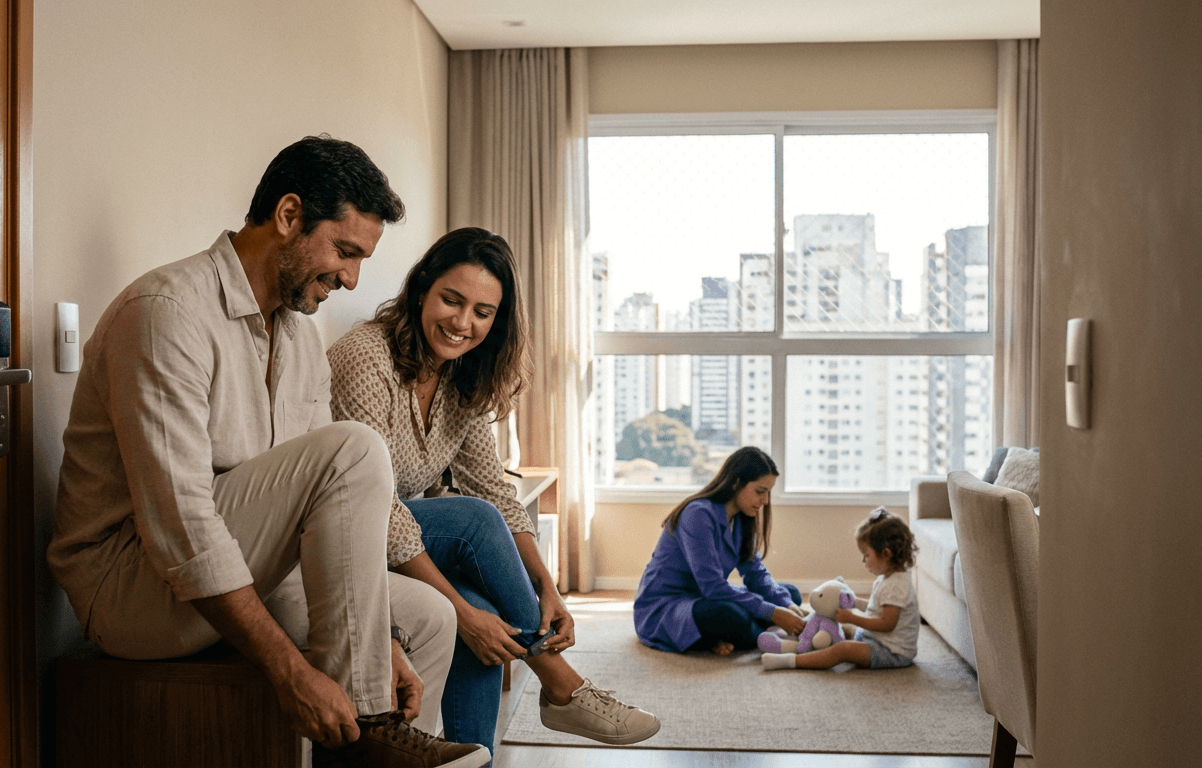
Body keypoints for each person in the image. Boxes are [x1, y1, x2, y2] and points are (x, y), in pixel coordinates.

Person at [47, 136, 489, 768]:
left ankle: (373, 741)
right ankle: (370, 731)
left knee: (424, 618)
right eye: (344, 251)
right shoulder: (167, 312)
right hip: (132, 588)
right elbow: (181, 526)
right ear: (287, 217)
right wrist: (288, 670)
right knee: (356, 449)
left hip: (237, 563)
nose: (351, 277)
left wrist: (379, 636)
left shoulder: (299, 336)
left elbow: (316, 517)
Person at [326, 227, 661, 754]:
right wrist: (461, 612)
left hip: (399, 535)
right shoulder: (366, 357)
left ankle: (476, 758)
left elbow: (496, 487)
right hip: (344, 529)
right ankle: (560, 681)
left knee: (491, 615)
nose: (463, 323)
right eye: (451, 301)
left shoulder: (461, 375)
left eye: (482, 312)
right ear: (421, 292)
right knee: (473, 530)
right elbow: (377, 508)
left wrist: (547, 588)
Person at [634, 446, 807, 656]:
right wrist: (772, 613)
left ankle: (728, 636)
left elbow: (755, 573)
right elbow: (712, 586)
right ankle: (752, 633)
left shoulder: (743, 518)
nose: (765, 501)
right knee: (732, 616)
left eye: (768, 493)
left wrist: (785, 605)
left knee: (790, 594)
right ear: (736, 483)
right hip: (668, 604)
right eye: (760, 492)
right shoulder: (697, 514)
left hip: (706, 597)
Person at [761, 507, 920, 672]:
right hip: (876, 639)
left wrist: (852, 618)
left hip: (892, 652)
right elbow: (877, 608)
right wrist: (856, 603)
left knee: (842, 650)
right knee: (835, 627)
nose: (863, 560)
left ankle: (791, 660)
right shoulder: (888, 578)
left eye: (866, 555)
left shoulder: (897, 585)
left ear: (886, 554)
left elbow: (886, 624)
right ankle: (803, 641)